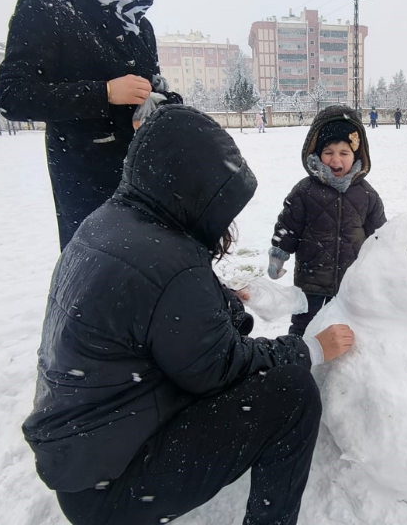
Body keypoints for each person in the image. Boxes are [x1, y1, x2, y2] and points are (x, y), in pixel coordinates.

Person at [23, 104, 355, 525]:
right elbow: (222, 368)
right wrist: (307, 349)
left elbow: (178, 330)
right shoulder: (172, 265)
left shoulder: (108, 225)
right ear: (194, 188)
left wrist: (223, 300)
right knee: (293, 392)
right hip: (113, 489)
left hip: (83, 464)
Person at [0, 0, 180, 252]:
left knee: (149, 276)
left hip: (145, 180)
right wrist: (105, 93)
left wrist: (159, 103)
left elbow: (152, 84)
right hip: (87, 185)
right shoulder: (47, 7)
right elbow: (12, 96)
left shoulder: (138, 25)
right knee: (99, 282)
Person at [267, 105, 387, 336]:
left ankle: (336, 370)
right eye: (328, 152)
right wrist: (277, 256)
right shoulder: (304, 191)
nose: (335, 159)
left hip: (349, 281)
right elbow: (288, 228)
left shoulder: (367, 195)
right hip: (310, 278)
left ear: (356, 156)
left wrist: (385, 265)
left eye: (344, 153)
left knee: (343, 329)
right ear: (317, 153)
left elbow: (379, 236)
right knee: (303, 327)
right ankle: (298, 364)